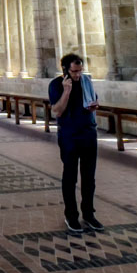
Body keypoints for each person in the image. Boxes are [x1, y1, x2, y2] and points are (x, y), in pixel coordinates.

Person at [49, 53, 103, 234]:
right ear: (65, 70)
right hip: (69, 135)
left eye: (80, 71)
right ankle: (71, 215)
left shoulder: (87, 82)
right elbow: (57, 111)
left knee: (89, 177)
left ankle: (89, 214)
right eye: (74, 71)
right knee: (70, 176)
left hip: (88, 133)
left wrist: (94, 106)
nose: (78, 75)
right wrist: (66, 91)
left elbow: (92, 100)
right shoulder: (56, 85)